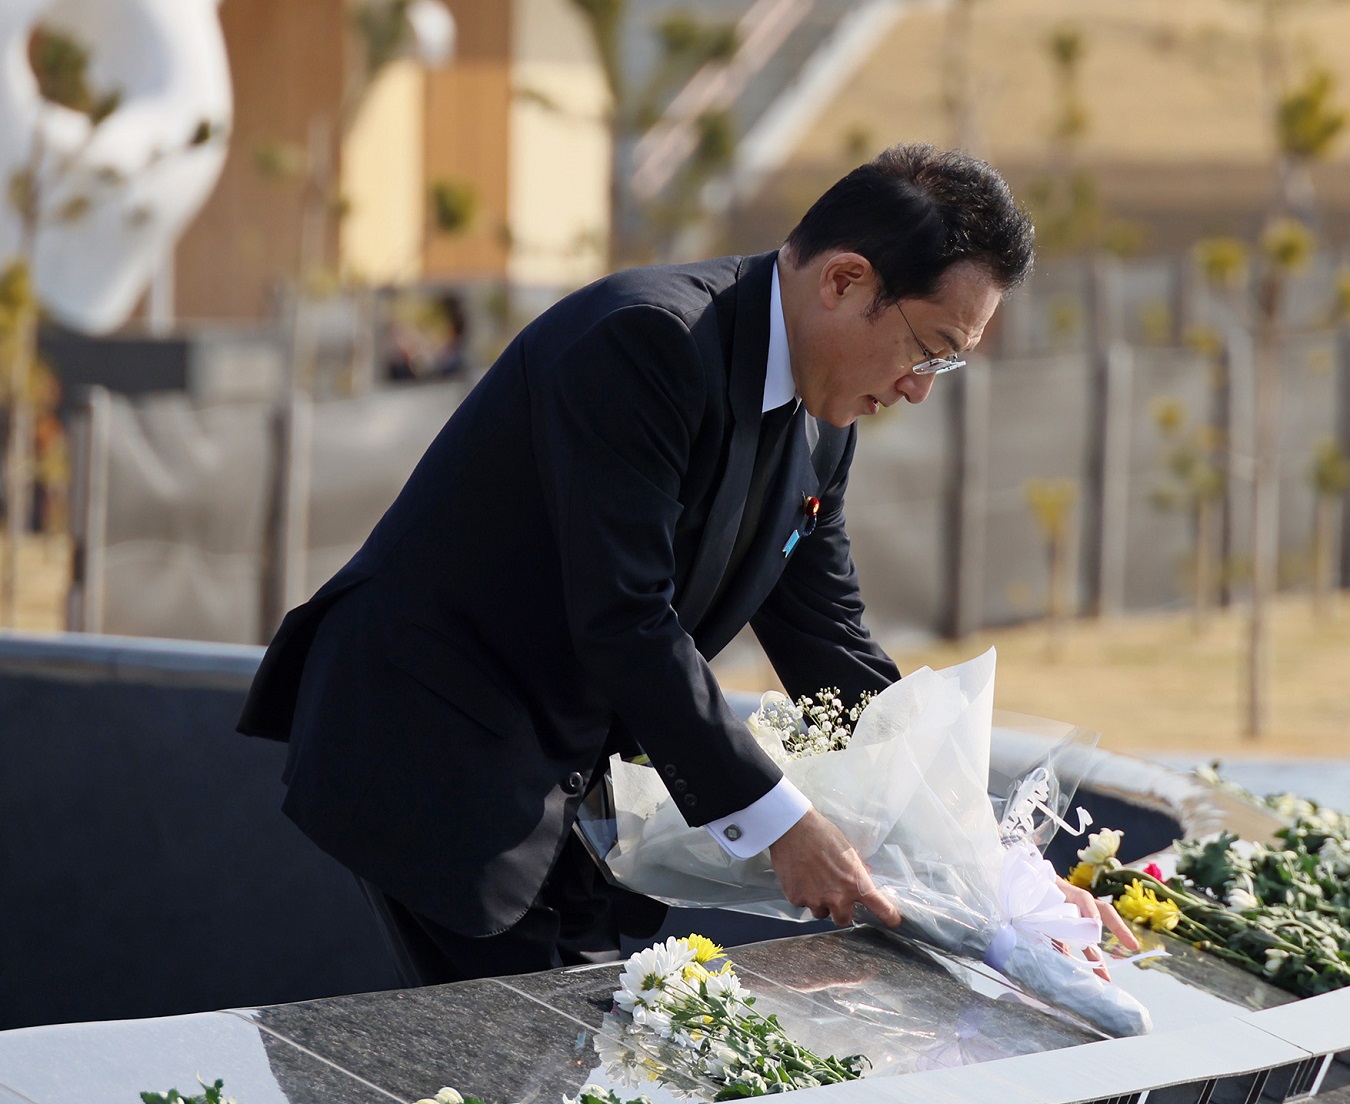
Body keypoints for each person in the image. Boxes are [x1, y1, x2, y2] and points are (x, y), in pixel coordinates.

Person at [238, 144, 1063, 985]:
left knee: (590, 1070)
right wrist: (782, 823)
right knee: (522, 1081)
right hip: (435, 750)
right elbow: (626, 615)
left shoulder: (825, 425)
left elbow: (831, 647)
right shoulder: (648, 342)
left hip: (567, 795)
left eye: (947, 363)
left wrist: (1002, 878)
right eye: (929, 349)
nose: (922, 388)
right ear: (845, 281)